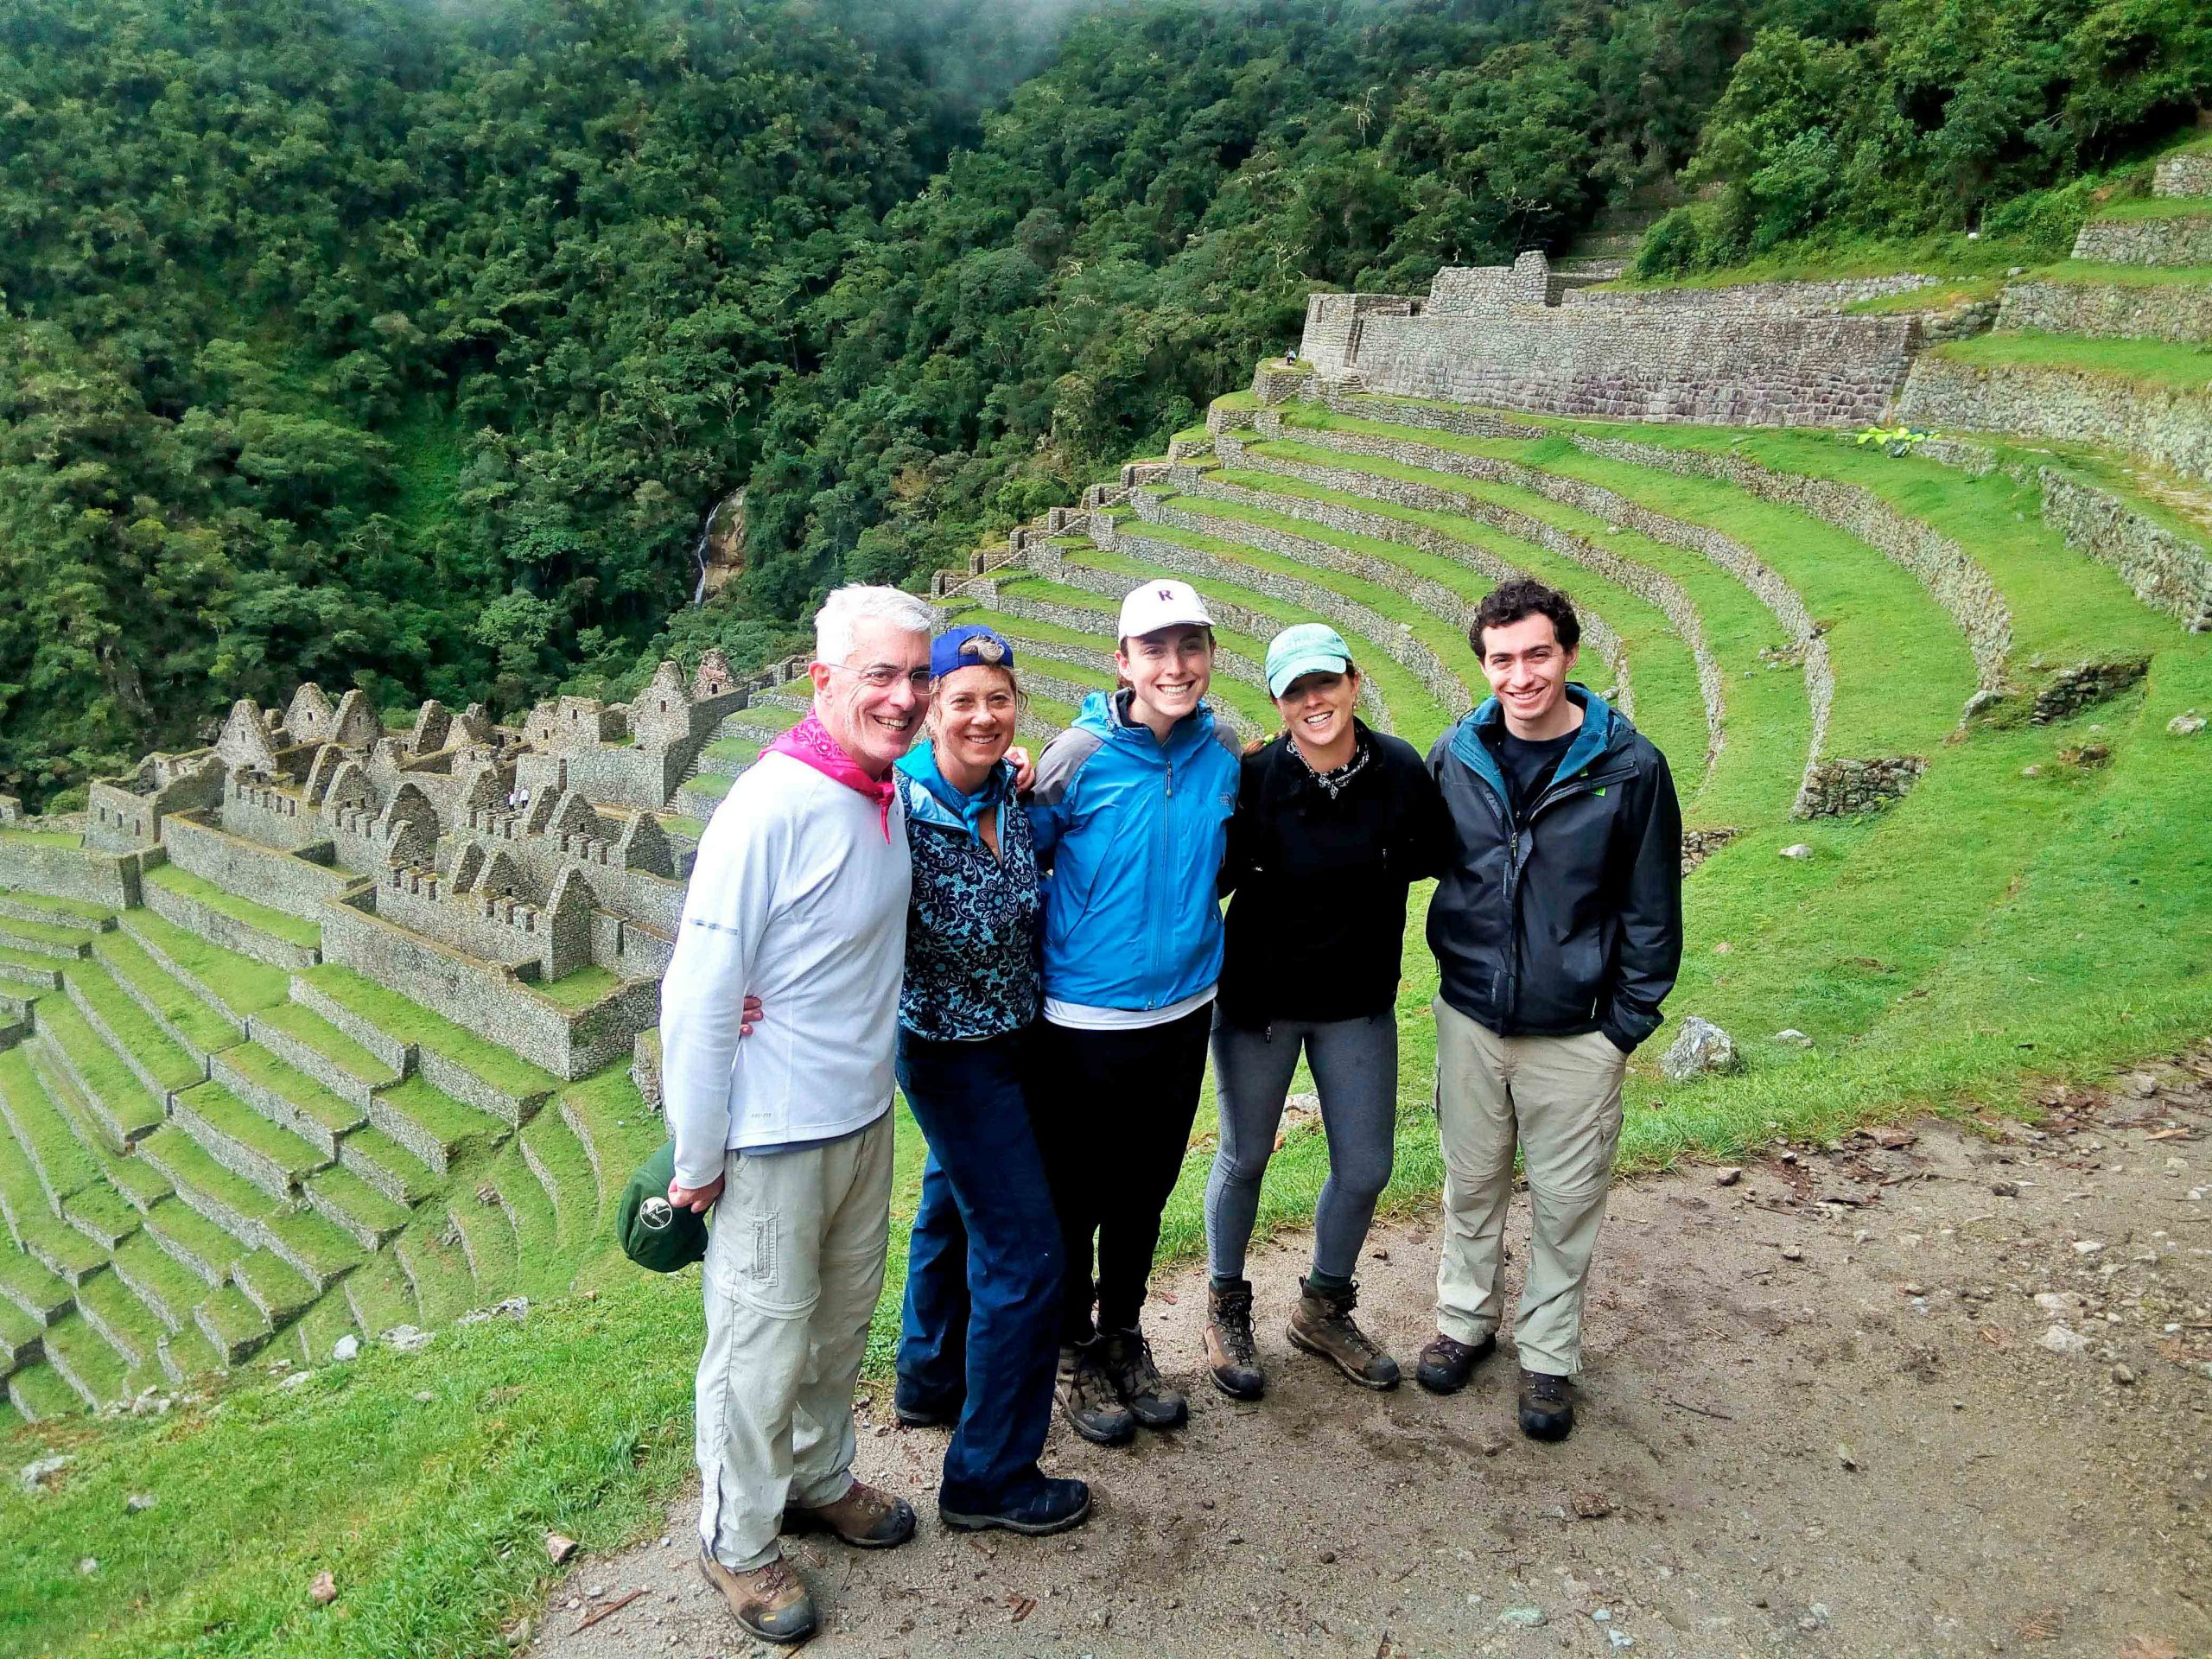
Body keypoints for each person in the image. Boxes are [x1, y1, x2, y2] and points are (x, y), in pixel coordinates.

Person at [660, 583, 935, 1645]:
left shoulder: (880, 789)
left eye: (918, 674)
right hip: (772, 1135)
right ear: (822, 680)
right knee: (759, 1347)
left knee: (835, 1329)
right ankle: (735, 1543)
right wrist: (698, 1155)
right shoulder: (766, 807)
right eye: (881, 674)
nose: (905, 697)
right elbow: (698, 991)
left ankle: (819, 1479)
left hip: (862, 1116)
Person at [1417, 579, 1682, 1441]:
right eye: (1501, 659)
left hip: (1575, 1030)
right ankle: (1464, 1322)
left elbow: (1650, 908)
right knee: (1471, 1183)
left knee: (1567, 1203)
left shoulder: (1629, 767)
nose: (1519, 674)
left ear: (1569, 655)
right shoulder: (1455, 755)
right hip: (1469, 1016)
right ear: (1483, 664)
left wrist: (1622, 1028)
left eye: (1536, 654)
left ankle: (1548, 1355)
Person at [1203, 624, 1452, 1400]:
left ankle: (1324, 1304)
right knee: (1245, 1156)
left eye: (1325, 683)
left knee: (1367, 1167)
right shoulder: (1253, 779)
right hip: (1261, 1004)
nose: (1314, 701)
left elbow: (1435, 856)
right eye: (1294, 690)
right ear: (1277, 703)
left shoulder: (1401, 769)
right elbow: (1208, 878)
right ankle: (1225, 1303)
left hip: (1356, 1002)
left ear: (1354, 681)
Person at [1025, 578, 1241, 1446]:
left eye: (1189, 646)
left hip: (1185, 1008)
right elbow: (1021, 859)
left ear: (1209, 657)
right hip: (1083, 1017)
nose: (1174, 665)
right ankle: (1074, 1350)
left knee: (1145, 1190)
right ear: (1122, 661)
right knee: (1076, 1196)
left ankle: (1124, 1335)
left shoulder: (1224, 750)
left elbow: (1226, 859)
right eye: (1154, 648)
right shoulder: (1076, 755)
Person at [889, 624, 1091, 1535]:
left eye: (997, 700)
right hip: (948, 1052)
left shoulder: (1005, 795)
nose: (981, 715)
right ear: (931, 707)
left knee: (946, 1205)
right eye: (962, 699)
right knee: (1027, 1255)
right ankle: (989, 1476)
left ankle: (929, 1381)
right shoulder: (896, 808)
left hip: (1012, 1038)